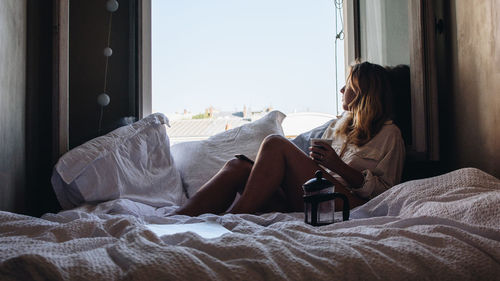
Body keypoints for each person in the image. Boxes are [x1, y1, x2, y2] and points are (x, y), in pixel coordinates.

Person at [174, 61, 406, 216]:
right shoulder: (337, 127)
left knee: (275, 143)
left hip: (348, 204)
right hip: (313, 194)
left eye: (350, 85)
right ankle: (175, 220)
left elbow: (385, 195)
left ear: (364, 93)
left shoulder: (389, 135)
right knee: (239, 166)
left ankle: (233, 220)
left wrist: (338, 166)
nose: (342, 89)